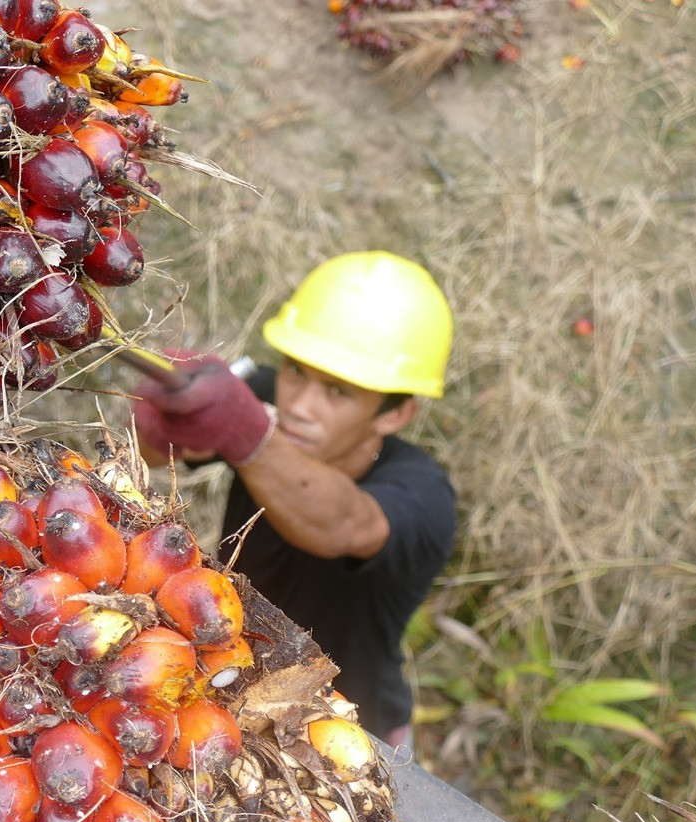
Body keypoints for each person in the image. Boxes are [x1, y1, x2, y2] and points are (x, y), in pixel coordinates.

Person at [131, 251, 457, 749]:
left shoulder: (423, 494)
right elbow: (157, 452)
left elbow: (343, 524)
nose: (301, 404)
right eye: (296, 371)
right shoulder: (263, 396)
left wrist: (252, 435)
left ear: (395, 414)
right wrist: (160, 419)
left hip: (347, 726)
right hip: (228, 677)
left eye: (338, 392)